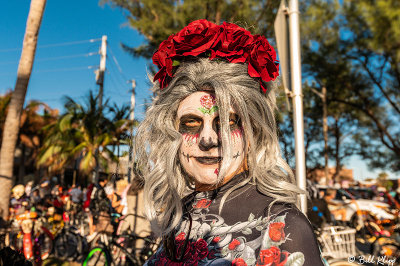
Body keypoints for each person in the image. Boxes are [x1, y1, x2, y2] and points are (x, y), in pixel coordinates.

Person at [135, 20, 323, 265]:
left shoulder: (285, 227)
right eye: (191, 123)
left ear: (253, 132)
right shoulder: (180, 213)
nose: (208, 139)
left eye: (227, 122)